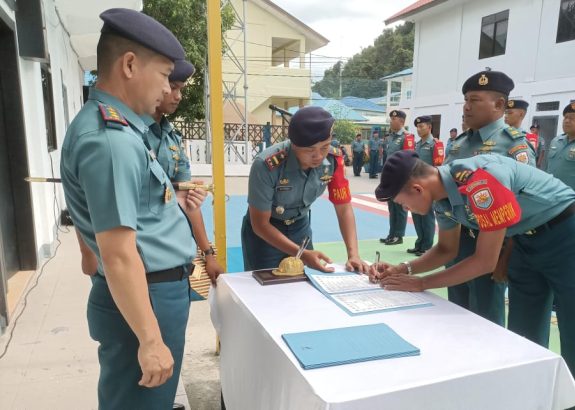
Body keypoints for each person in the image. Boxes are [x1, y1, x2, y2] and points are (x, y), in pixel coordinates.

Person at [371, 151, 575, 410]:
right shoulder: (442, 198)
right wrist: (403, 269)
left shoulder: (481, 181)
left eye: (403, 203)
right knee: (523, 335)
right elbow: (446, 249)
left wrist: (422, 283)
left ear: (418, 188)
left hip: (568, 233)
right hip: (524, 242)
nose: (406, 209)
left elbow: (485, 262)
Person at [60, 8, 207, 408]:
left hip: (153, 292)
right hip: (146, 296)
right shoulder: (112, 141)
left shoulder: (121, 129)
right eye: (163, 75)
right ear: (129, 65)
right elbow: (120, 254)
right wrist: (150, 339)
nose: (166, 89)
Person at [443, 69, 536, 326]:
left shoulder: (513, 144)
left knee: (485, 316)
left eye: (474, 100)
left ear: (499, 104)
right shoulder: (459, 143)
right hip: (457, 238)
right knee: (455, 311)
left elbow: (524, 203)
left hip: (492, 243)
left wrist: (507, 253)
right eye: (465, 100)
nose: (466, 107)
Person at [241, 106, 368, 274]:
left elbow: (344, 208)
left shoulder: (334, 161)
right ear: (294, 144)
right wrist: (303, 254)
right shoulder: (267, 165)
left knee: (305, 288)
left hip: (300, 229)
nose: (318, 156)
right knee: (265, 287)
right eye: (309, 150)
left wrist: (353, 255)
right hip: (265, 235)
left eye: (324, 147)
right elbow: (260, 224)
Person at [140, 60, 223, 285]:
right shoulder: (129, 133)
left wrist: (208, 253)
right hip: (140, 259)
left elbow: (188, 202)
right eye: (173, 87)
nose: (177, 96)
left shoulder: (172, 139)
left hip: (174, 256)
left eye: (180, 89)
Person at [408, 116, 443, 256]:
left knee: (427, 216)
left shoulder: (435, 144)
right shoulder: (417, 144)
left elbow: (438, 166)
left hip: (428, 186)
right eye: (417, 127)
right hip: (415, 185)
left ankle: (427, 247)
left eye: (421, 126)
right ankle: (420, 243)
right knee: (417, 215)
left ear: (429, 127)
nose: (418, 129)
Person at [380, 109, 415, 245]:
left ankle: (399, 235)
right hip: (390, 176)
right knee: (392, 207)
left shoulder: (407, 137)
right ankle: (392, 233)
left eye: (394, 119)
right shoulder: (390, 137)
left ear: (401, 121)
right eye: (391, 119)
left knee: (399, 207)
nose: (391, 121)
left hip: (400, 177)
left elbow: (409, 159)